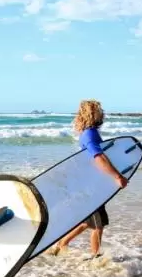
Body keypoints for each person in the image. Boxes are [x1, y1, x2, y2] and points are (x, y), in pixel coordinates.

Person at [51, 99, 128, 258]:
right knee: (98, 225)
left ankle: (63, 243)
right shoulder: (90, 134)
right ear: (93, 113)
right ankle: (96, 258)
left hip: (91, 185)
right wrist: (117, 176)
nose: (103, 113)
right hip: (91, 189)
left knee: (89, 222)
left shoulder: (88, 132)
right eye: (99, 110)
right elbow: (98, 157)